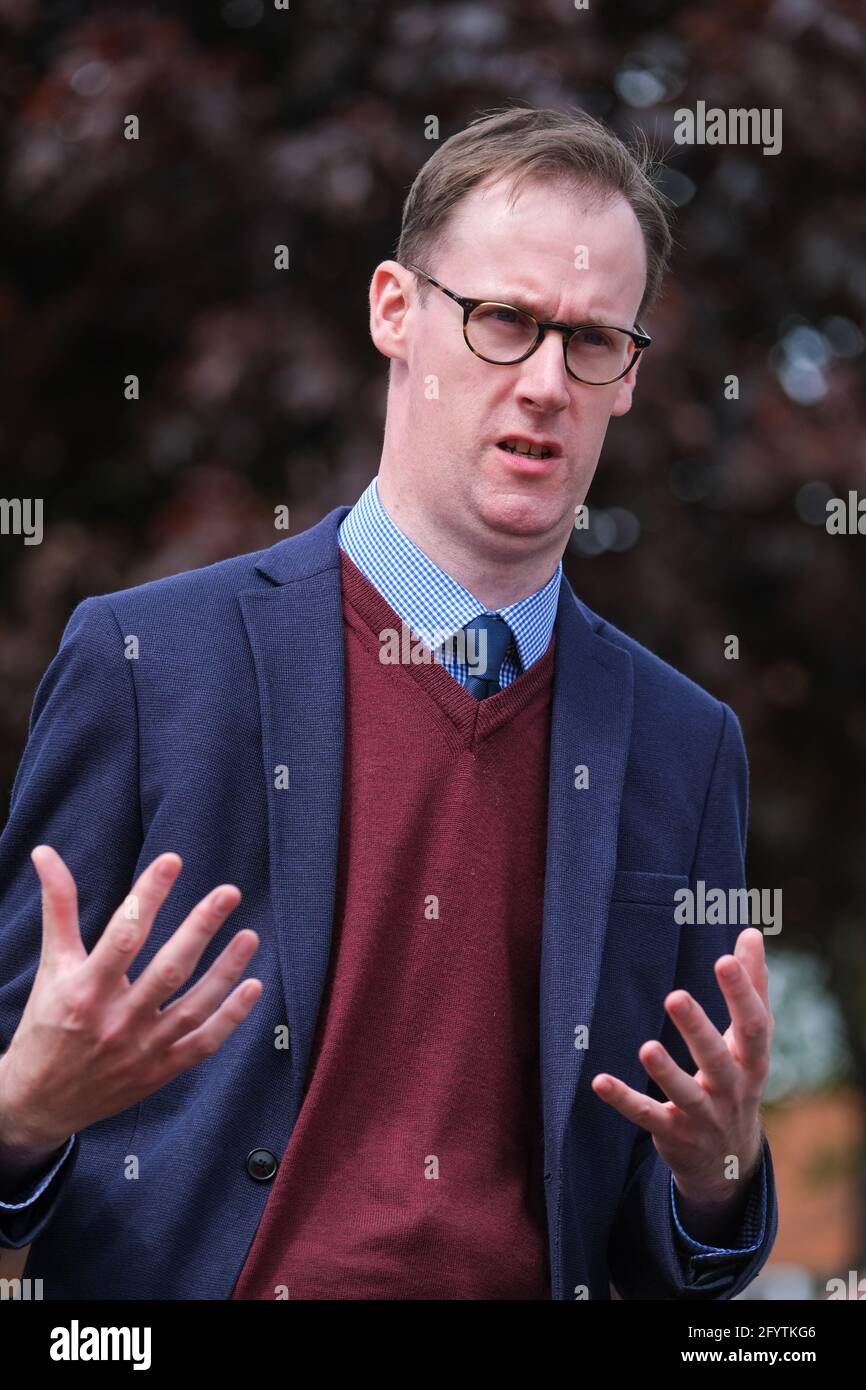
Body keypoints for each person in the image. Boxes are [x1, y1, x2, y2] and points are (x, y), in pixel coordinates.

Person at [0, 105, 778, 1300]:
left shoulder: (684, 747)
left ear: (629, 378)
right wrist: (25, 1108)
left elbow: (665, 1256)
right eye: (505, 320)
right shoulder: (147, 662)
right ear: (394, 312)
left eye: (590, 342)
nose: (543, 383)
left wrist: (717, 1180)